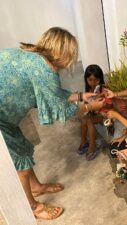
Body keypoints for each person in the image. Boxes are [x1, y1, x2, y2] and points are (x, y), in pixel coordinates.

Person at [0, 27, 105, 220]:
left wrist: (81, 96)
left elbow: (52, 94)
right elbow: (61, 111)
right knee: (20, 165)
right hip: (1, 118)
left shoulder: (31, 53)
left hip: (4, 115)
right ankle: (32, 207)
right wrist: (89, 106)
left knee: (22, 150)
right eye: (70, 55)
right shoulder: (45, 70)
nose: (70, 61)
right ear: (61, 52)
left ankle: (37, 187)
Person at [77, 64, 111, 161]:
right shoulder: (88, 90)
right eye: (90, 80)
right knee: (84, 119)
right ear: (86, 80)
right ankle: (84, 142)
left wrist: (98, 96)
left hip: (105, 114)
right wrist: (89, 107)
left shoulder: (104, 89)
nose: (93, 83)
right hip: (95, 113)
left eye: (96, 80)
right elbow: (86, 105)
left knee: (89, 121)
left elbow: (106, 105)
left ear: (100, 79)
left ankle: (92, 146)